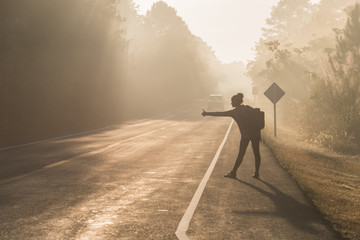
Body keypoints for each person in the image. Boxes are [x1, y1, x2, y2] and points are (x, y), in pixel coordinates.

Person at [202, 93, 261, 179]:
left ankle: (233, 173)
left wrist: (207, 113)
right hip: (255, 133)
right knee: (256, 153)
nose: (231, 103)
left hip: (245, 136)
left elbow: (220, 113)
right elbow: (257, 112)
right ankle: (256, 173)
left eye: (232, 102)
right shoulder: (247, 108)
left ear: (235, 102)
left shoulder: (234, 112)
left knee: (241, 154)